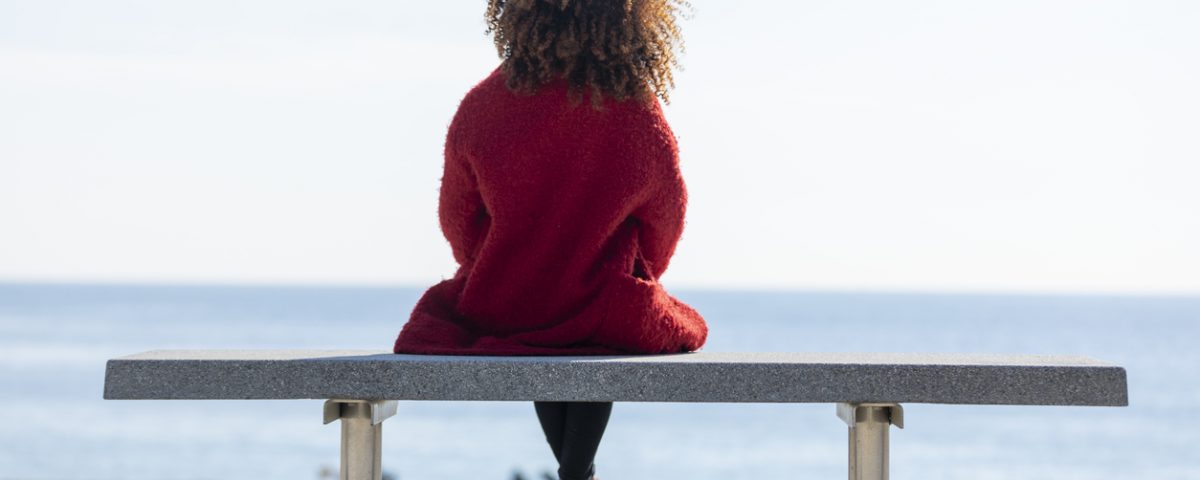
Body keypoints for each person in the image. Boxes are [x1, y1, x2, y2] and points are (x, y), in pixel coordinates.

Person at [392, 1, 706, 478]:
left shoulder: (483, 105)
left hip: (509, 300)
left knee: (539, 327)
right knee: (600, 330)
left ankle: (576, 472)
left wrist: (493, 261)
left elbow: (457, 218)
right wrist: (643, 269)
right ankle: (577, 471)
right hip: (602, 304)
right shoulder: (636, 107)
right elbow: (668, 213)